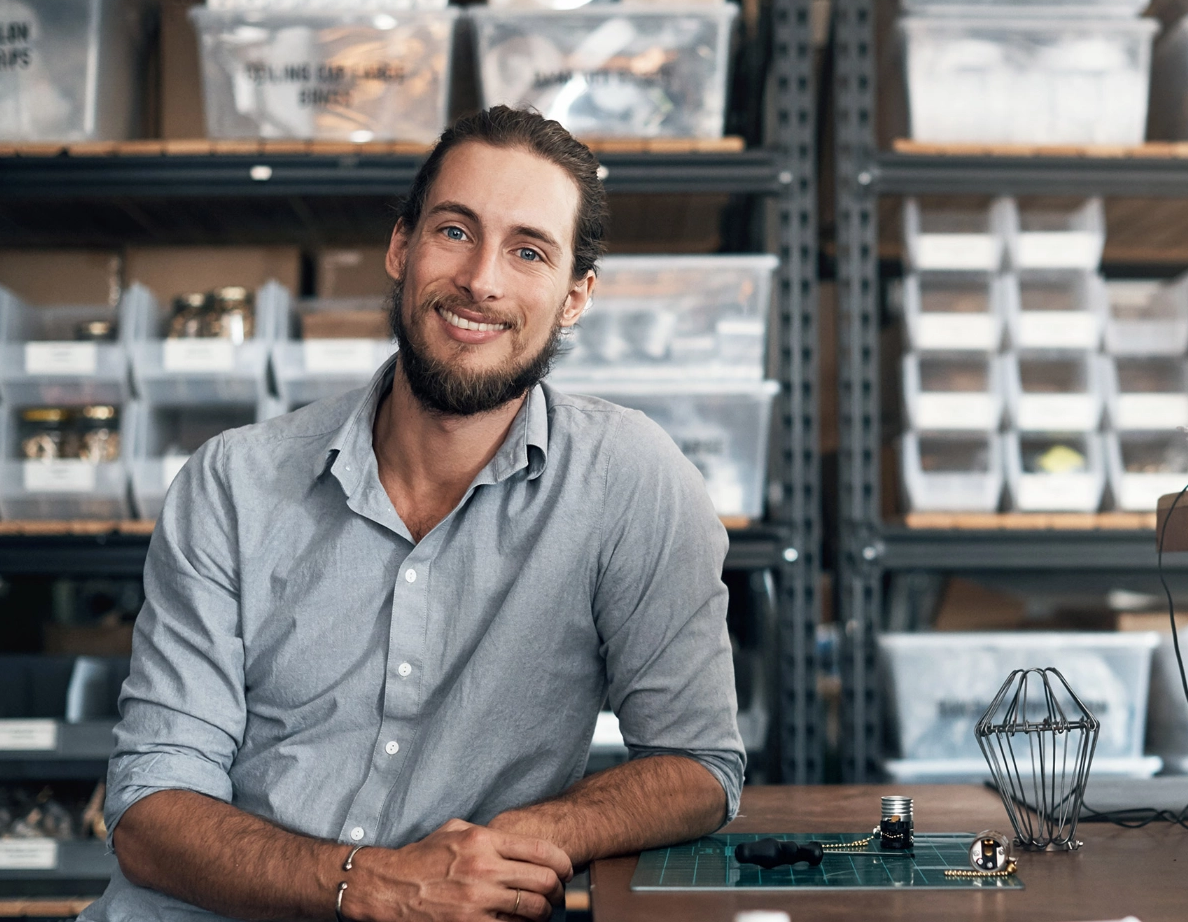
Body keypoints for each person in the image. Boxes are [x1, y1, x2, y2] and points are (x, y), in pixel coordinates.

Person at [80, 106, 745, 922]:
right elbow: (149, 811)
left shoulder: (631, 482)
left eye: (528, 251)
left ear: (575, 298)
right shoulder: (233, 482)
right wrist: (370, 882)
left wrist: (513, 844)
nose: (482, 281)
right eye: (455, 232)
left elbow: (697, 763)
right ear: (402, 248)